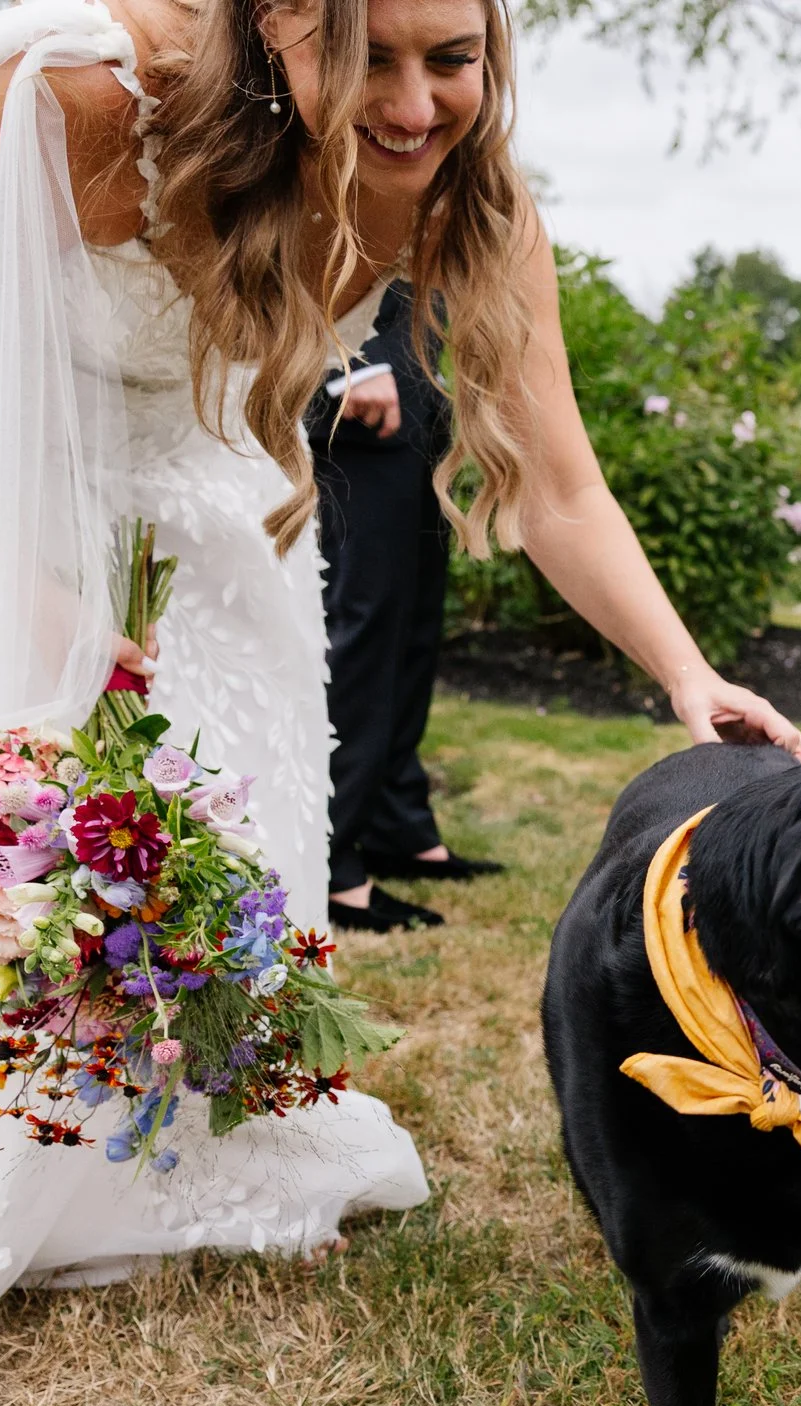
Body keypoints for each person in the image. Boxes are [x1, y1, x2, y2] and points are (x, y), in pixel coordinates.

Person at [0, 0, 801, 1406]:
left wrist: (684, 671)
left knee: (207, 729)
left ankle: (136, 1123)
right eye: (373, 58)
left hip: (167, 428)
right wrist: (40, 602)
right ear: (280, 24)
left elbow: (555, 481)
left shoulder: (471, 201)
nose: (414, 106)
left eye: (452, 59)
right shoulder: (88, 103)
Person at [310, 283, 494, 933]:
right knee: (363, 621)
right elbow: (310, 229)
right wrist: (350, 367)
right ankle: (329, 857)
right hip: (355, 381)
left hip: (413, 372)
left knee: (413, 616)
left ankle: (395, 817)